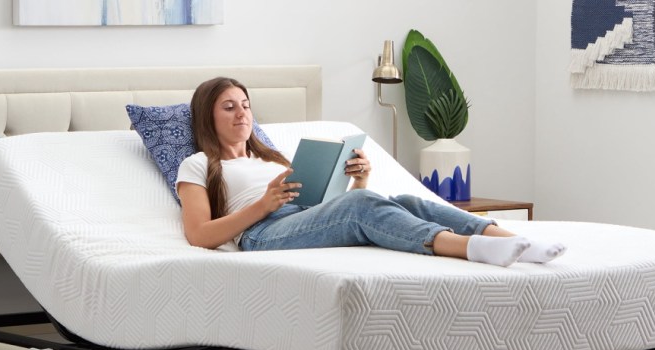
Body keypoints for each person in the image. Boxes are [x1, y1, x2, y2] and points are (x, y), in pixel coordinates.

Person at [176, 77, 565, 267]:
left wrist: (358, 179)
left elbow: (327, 209)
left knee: (408, 200)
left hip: (299, 218)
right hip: (260, 235)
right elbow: (198, 235)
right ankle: (472, 249)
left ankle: (516, 241)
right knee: (361, 205)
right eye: (229, 107)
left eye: (245, 105)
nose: (242, 113)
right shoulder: (197, 165)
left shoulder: (272, 157)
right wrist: (263, 204)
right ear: (207, 114)